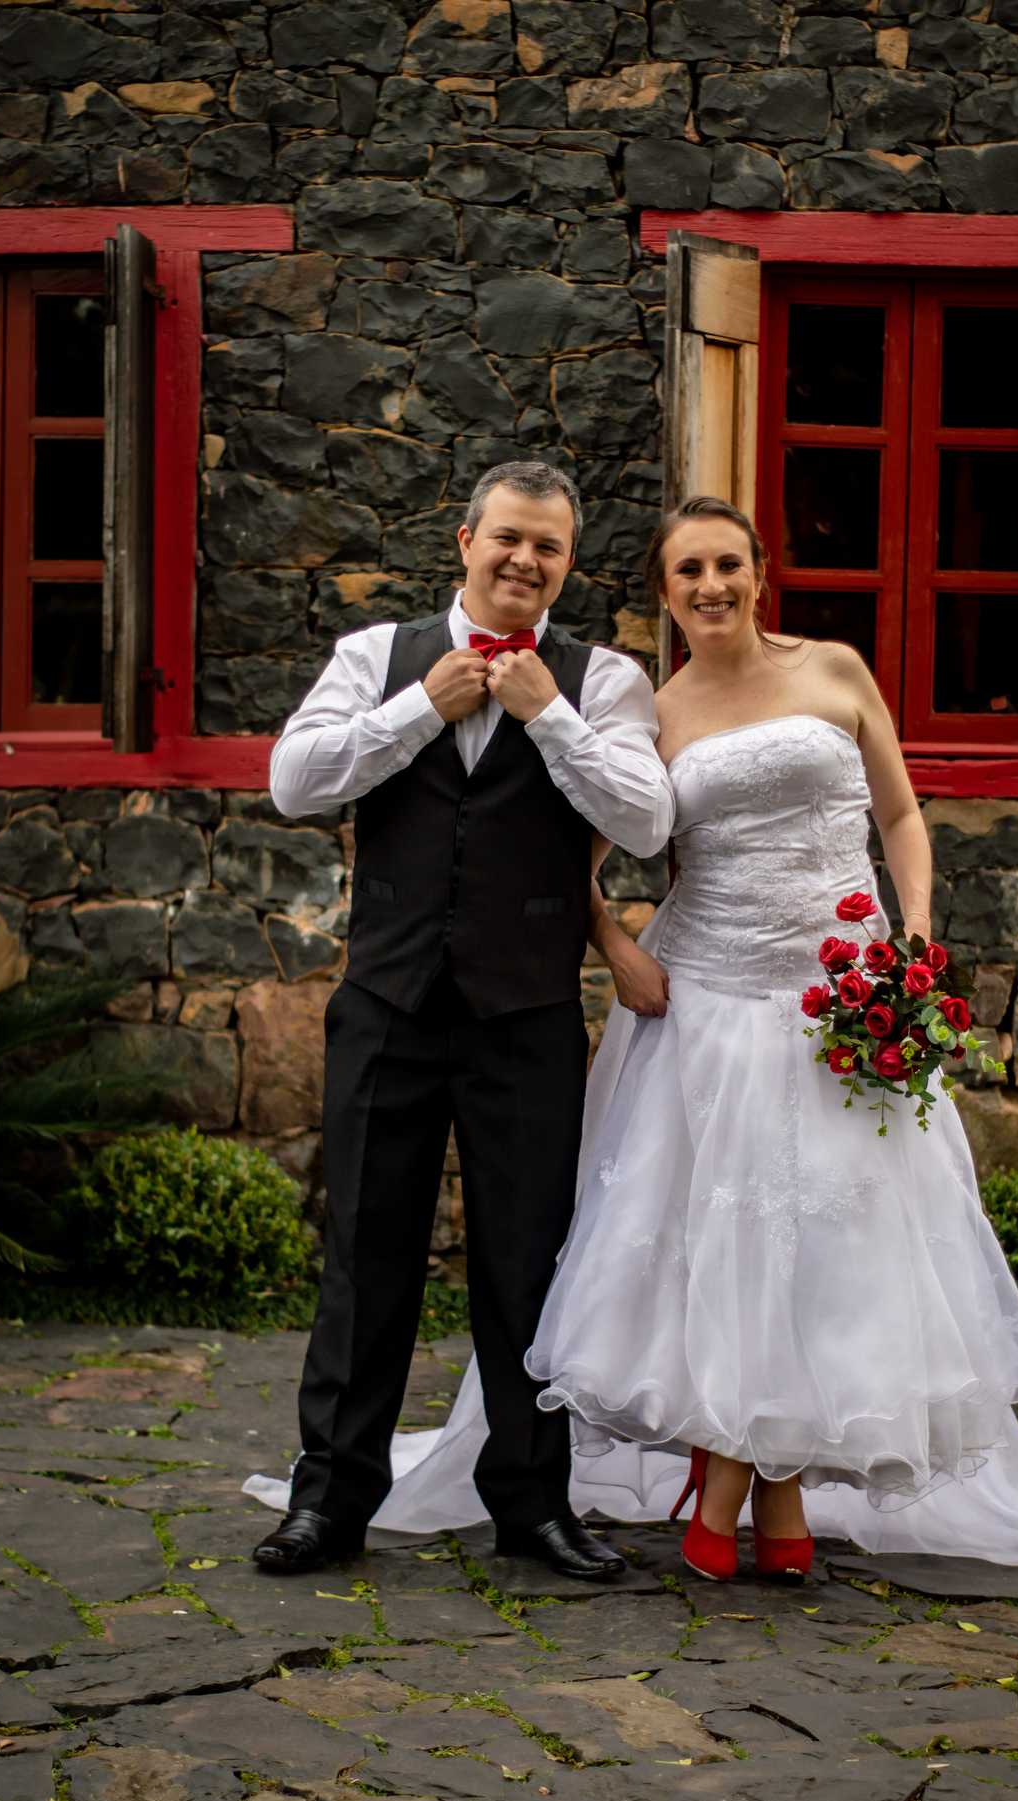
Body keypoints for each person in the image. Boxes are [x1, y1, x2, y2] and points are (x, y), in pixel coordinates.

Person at [524, 494, 1018, 1579]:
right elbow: (581, 859)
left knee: (826, 1251)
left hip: (842, 1001)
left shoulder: (835, 669)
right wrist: (616, 943)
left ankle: (745, 1482)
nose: (711, 586)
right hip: (708, 1002)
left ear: (760, 573)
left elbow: (898, 817)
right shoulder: (655, 713)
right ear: (664, 592)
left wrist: (917, 936)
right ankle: (762, 1494)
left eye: (728, 565)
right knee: (730, 1246)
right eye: (687, 570)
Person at [250, 460, 674, 1579]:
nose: (525, 561)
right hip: (386, 1003)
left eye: (549, 547)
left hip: (526, 1013)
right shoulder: (373, 657)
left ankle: (533, 1500)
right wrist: (417, 709)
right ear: (466, 538)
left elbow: (642, 814)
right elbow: (293, 779)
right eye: (509, 539)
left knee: (529, 1265)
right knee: (364, 1256)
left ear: (567, 565)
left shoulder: (606, 680)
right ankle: (331, 1496)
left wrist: (550, 719)